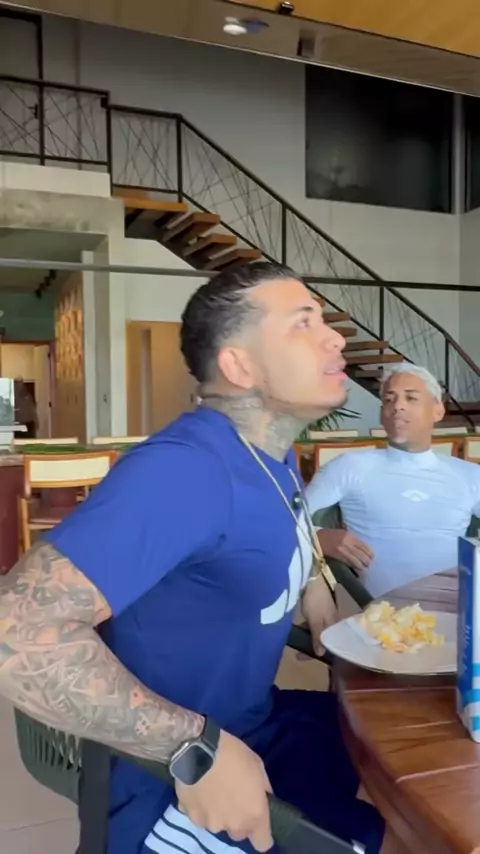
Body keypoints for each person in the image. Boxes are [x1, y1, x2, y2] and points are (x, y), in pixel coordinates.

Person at [0, 262, 384, 854]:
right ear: (239, 367)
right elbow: (17, 634)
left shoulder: (271, 455)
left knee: (398, 764)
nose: (335, 337)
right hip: (172, 781)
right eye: (303, 323)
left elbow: (284, 527)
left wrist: (313, 583)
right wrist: (189, 748)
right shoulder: (187, 470)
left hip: (258, 722)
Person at [307, 363, 480, 597]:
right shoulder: (350, 466)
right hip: (379, 611)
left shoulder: (469, 475)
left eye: (411, 398)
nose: (398, 406)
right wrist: (319, 537)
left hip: (454, 607)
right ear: (382, 414)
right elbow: (286, 520)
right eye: (389, 400)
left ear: (437, 411)